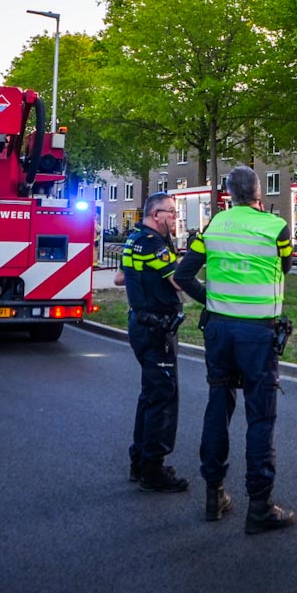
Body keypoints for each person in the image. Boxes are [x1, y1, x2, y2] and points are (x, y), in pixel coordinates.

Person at [174, 166, 297, 533]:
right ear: (258, 194)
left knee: (218, 404)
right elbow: (286, 267)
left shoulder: (213, 227)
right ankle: (259, 505)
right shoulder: (276, 228)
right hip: (258, 333)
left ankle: (214, 494)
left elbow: (183, 276)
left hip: (219, 331)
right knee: (260, 416)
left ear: (228, 194)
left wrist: (210, 301)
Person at [114, 192, 189, 493]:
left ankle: (140, 461)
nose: (175, 217)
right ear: (156, 214)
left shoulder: (134, 239)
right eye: (171, 212)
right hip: (157, 328)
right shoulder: (154, 245)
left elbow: (120, 277)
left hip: (140, 324)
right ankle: (153, 470)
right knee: (163, 396)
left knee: (150, 394)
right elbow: (178, 280)